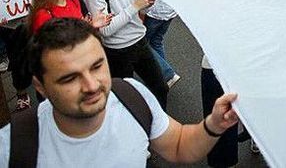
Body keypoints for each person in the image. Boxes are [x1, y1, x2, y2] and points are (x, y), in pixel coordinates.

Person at [0, 19, 239, 167]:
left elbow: (178, 145)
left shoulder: (131, 95)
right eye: (70, 78)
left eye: (97, 66)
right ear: (40, 86)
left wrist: (214, 124)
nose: (92, 85)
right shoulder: (11, 148)